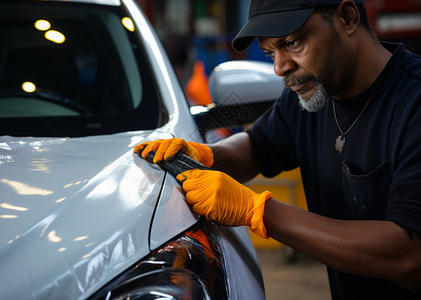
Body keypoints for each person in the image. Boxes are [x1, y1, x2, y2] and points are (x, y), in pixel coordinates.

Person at [134, 0, 421, 298]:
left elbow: (409, 256)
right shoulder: (313, 96)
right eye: (271, 52)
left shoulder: (413, 104)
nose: (279, 67)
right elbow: (257, 146)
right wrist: (206, 156)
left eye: (293, 43)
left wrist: (258, 211)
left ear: (347, 18)